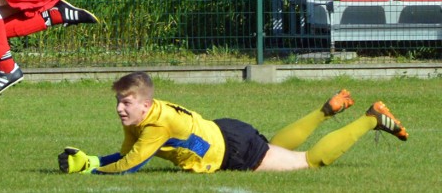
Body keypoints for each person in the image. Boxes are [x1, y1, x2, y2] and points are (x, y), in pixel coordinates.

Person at [58, 71, 408, 174]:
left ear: (145, 104)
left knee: (307, 162)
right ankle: (324, 112)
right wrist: (91, 159)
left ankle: (371, 120)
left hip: (232, 150)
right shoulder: (141, 115)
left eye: (127, 102)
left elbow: (132, 164)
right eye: (119, 102)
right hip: (225, 132)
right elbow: (126, 153)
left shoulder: (154, 124)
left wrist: (92, 169)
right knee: (276, 148)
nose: (120, 108)